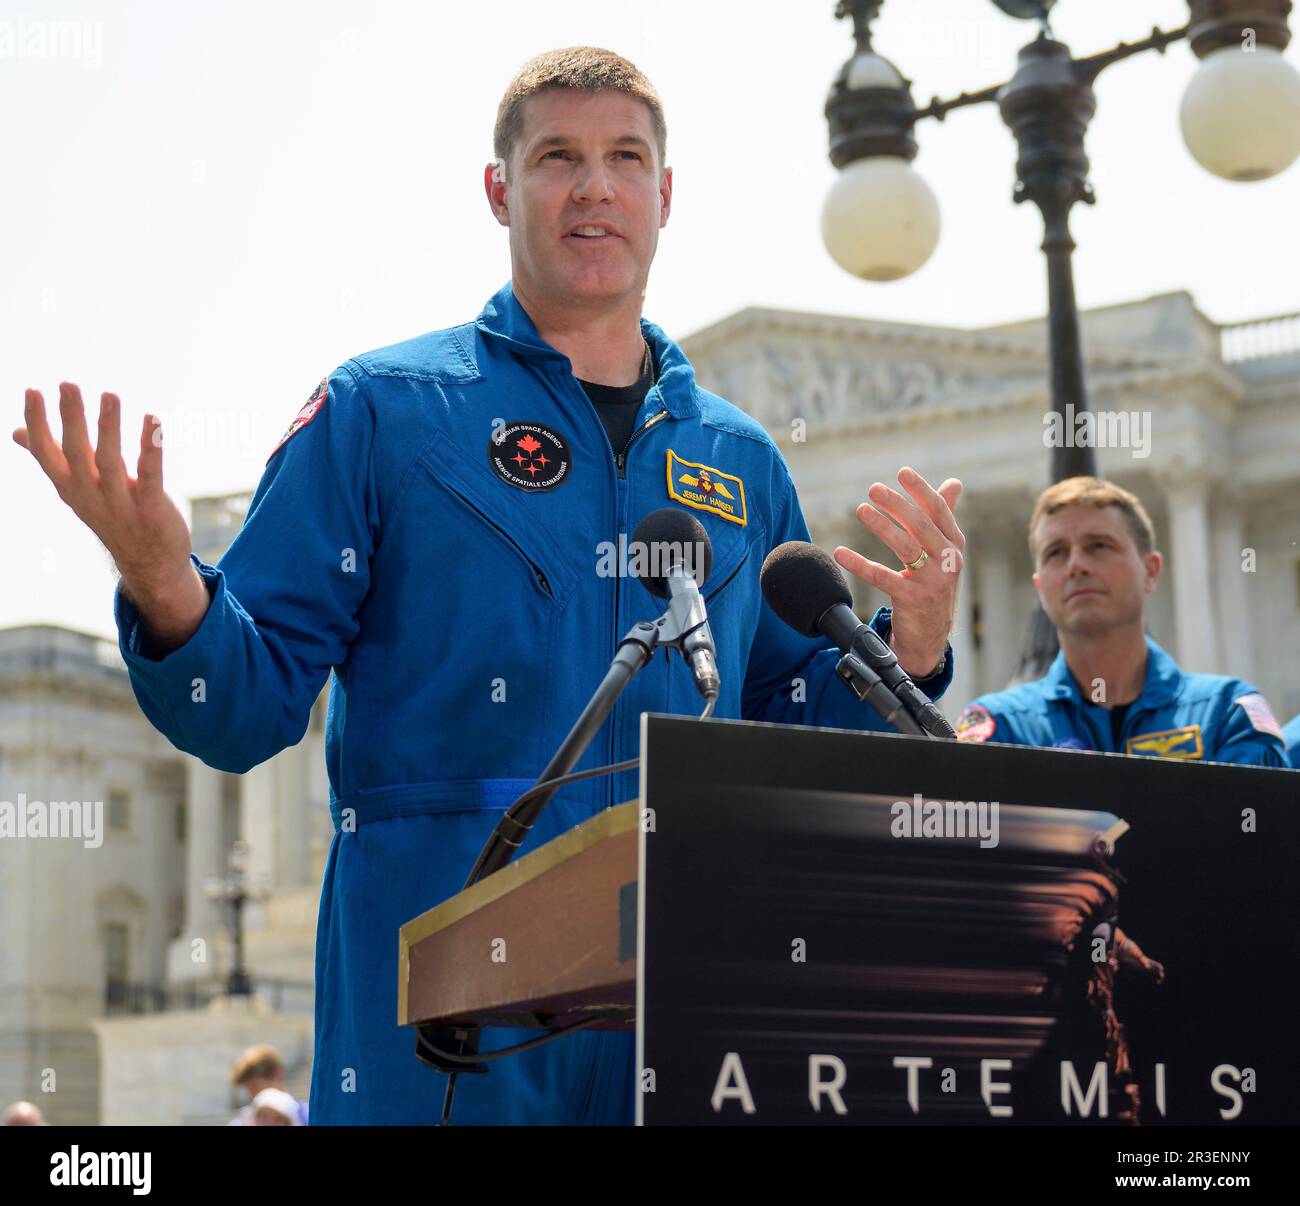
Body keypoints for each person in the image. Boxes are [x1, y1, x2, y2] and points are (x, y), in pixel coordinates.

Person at [13, 47, 966, 1125]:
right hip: (443, 1029)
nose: (593, 185)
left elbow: (788, 727)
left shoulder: (740, 460)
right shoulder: (384, 411)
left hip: (687, 1014)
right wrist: (161, 580)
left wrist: (915, 647)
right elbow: (237, 709)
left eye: (624, 158)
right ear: (499, 189)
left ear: (665, 195)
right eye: (557, 156)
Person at [956, 476, 1289, 766]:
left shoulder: (1225, 715)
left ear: (1151, 571)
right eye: (1056, 552)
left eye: (1098, 546)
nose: (1076, 565)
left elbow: (1260, 834)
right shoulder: (1002, 728)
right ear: (1040, 587)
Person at [227, 1045, 308, 1127]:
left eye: (255, 1087)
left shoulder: (308, 1117)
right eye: (248, 1090)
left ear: (278, 1075)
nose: (252, 1096)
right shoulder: (243, 1121)